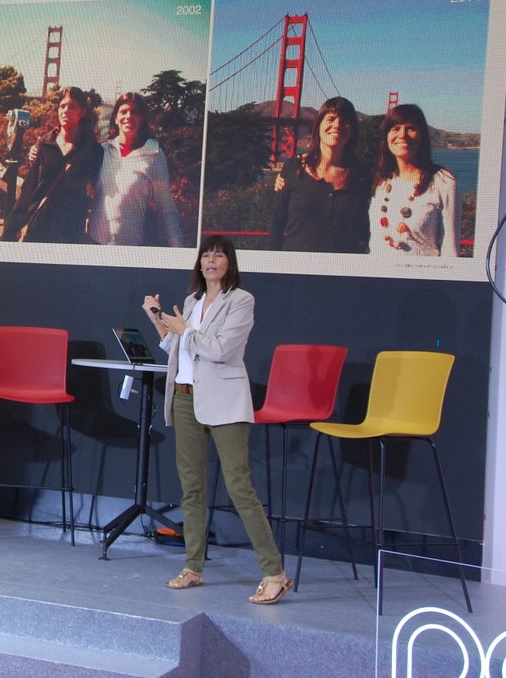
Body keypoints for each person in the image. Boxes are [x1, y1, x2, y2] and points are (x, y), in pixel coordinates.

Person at [141, 235, 291, 604]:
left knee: (239, 487)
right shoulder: (192, 301)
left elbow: (221, 350)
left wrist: (185, 331)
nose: (211, 260)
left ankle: (275, 573)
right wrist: (159, 321)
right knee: (191, 488)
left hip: (224, 401)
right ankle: (193, 566)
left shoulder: (241, 300)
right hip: (186, 398)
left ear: (229, 262)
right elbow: (180, 348)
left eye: (218, 255)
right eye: (206, 255)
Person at [268, 96, 372, 253]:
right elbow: (277, 223)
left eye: (345, 121)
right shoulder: (294, 168)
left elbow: (365, 228)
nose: (337, 125)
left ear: (352, 130)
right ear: (318, 126)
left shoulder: (362, 175)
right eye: (330, 119)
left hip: (343, 271)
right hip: (296, 269)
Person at [0, 86, 103, 243]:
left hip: (68, 234)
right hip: (37, 228)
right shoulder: (45, 144)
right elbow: (28, 190)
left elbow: (94, 189)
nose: (65, 111)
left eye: (72, 106)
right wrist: (9, 231)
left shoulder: (93, 150)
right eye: (62, 106)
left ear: (82, 112)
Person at [87, 92, 182, 247]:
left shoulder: (154, 154)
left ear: (142, 118)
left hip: (131, 250)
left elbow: (167, 209)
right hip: (94, 244)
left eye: (134, 112)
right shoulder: (103, 151)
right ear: (116, 119)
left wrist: (179, 252)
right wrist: (39, 150)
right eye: (123, 112)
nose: (129, 116)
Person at [368, 103, 458, 257]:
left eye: (411, 128)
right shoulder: (382, 182)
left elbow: (450, 251)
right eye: (395, 129)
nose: (402, 135)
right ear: (386, 137)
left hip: (420, 279)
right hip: (377, 276)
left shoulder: (443, 182)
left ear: (422, 136)